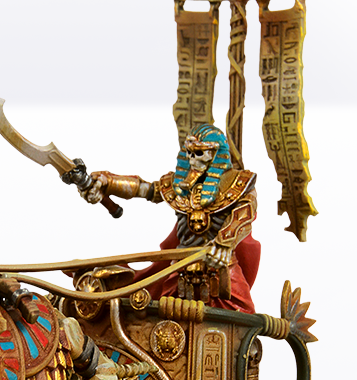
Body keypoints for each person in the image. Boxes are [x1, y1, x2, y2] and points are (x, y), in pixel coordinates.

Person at [81, 123, 260, 311]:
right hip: (180, 270)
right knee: (161, 318)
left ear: (215, 154)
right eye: (189, 153)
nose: (192, 160)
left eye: (199, 153)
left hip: (221, 269)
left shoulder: (238, 184)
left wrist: (224, 244)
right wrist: (108, 183)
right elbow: (144, 189)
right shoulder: (178, 184)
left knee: (244, 316)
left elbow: (244, 215)